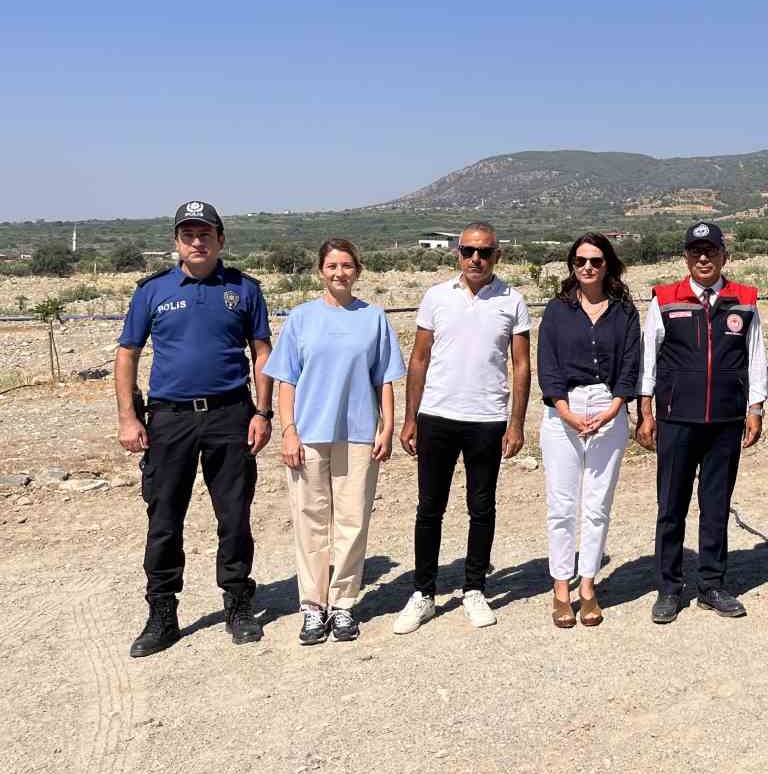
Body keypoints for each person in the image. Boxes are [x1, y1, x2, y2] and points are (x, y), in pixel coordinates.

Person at [117, 201, 274, 657]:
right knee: (164, 518)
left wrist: (262, 412)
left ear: (221, 240)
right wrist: (128, 417)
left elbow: (261, 351)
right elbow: (127, 353)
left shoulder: (244, 290)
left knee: (234, 516)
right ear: (177, 243)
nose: (197, 242)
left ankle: (239, 605)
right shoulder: (152, 291)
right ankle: (162, 613)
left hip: (231, 415)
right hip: (170, 419)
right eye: (188, 234)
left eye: (205, 233)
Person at [265, 239, 406, 643]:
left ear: (357, 270)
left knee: (352, 521)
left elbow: (384, 379)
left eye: (346, 265)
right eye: (332, 265)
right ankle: (313, 606)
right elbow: (286, 381)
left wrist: (388, 426)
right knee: (310, 522)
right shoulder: (301, 318)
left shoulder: (373, 318)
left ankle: (343, 605)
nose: (339, 272)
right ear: (320, 271)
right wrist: (288, 431)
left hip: (359, 434)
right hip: (308, 435)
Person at [394, 223, 531, 633]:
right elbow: (419, 359)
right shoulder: (436, 296)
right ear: (457, 253)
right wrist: (409, 417)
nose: (476, 259)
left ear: (497, 256)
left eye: (485, 252)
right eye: (469, 251)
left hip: (487, 419)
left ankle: (474, 588)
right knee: (429, 508)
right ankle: (424, 593)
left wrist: (517, 423)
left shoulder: (513, 300)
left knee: (481, 507)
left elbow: (521, 365)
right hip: (436, 416)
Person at [637, 221, 767, 623]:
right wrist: (645, 411)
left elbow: (756, 355)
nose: (704, 258)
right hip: (677, 419)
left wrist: (756, 408)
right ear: (687, 257)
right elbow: (647, 358)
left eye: (711, 251)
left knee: (716, 506)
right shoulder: (664, 299)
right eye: (696, 252)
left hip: (725, 420)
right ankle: (669, 587)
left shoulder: (743, 300)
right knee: (671, 506)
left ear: (725, 255)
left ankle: (712, 584)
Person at [536, 233, 640, 629]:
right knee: (562, 506)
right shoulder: (557, 310)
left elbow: (631, 366)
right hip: (564, 408)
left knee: (597, 506)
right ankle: (561, 589)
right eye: (581, 261)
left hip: (609, 407)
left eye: (596, 261)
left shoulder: (624, 312)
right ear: (571, 265)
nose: (588, 267)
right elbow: (548, 366)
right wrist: (566, 412)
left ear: (608, 264)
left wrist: (614, 410)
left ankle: (588, 587)